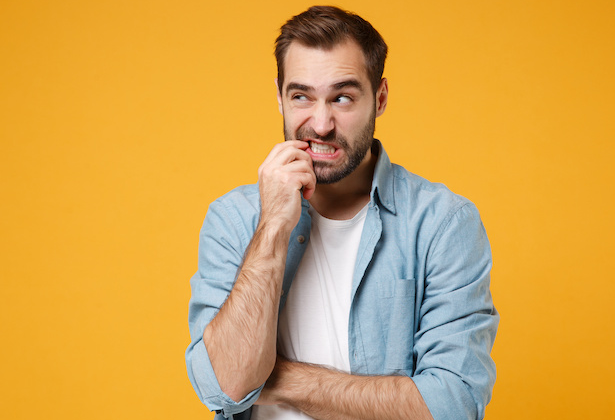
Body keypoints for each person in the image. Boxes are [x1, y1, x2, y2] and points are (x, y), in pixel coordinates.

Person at [185, 6, 498, 420]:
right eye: (301, 96)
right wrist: (273, 225)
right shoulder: (234, 219)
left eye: (343, 97)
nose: (321, 123)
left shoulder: (443, 223)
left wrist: (271, 379)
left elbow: (452, 405)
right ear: (279, 97)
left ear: (380, 98)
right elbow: (224, 386)